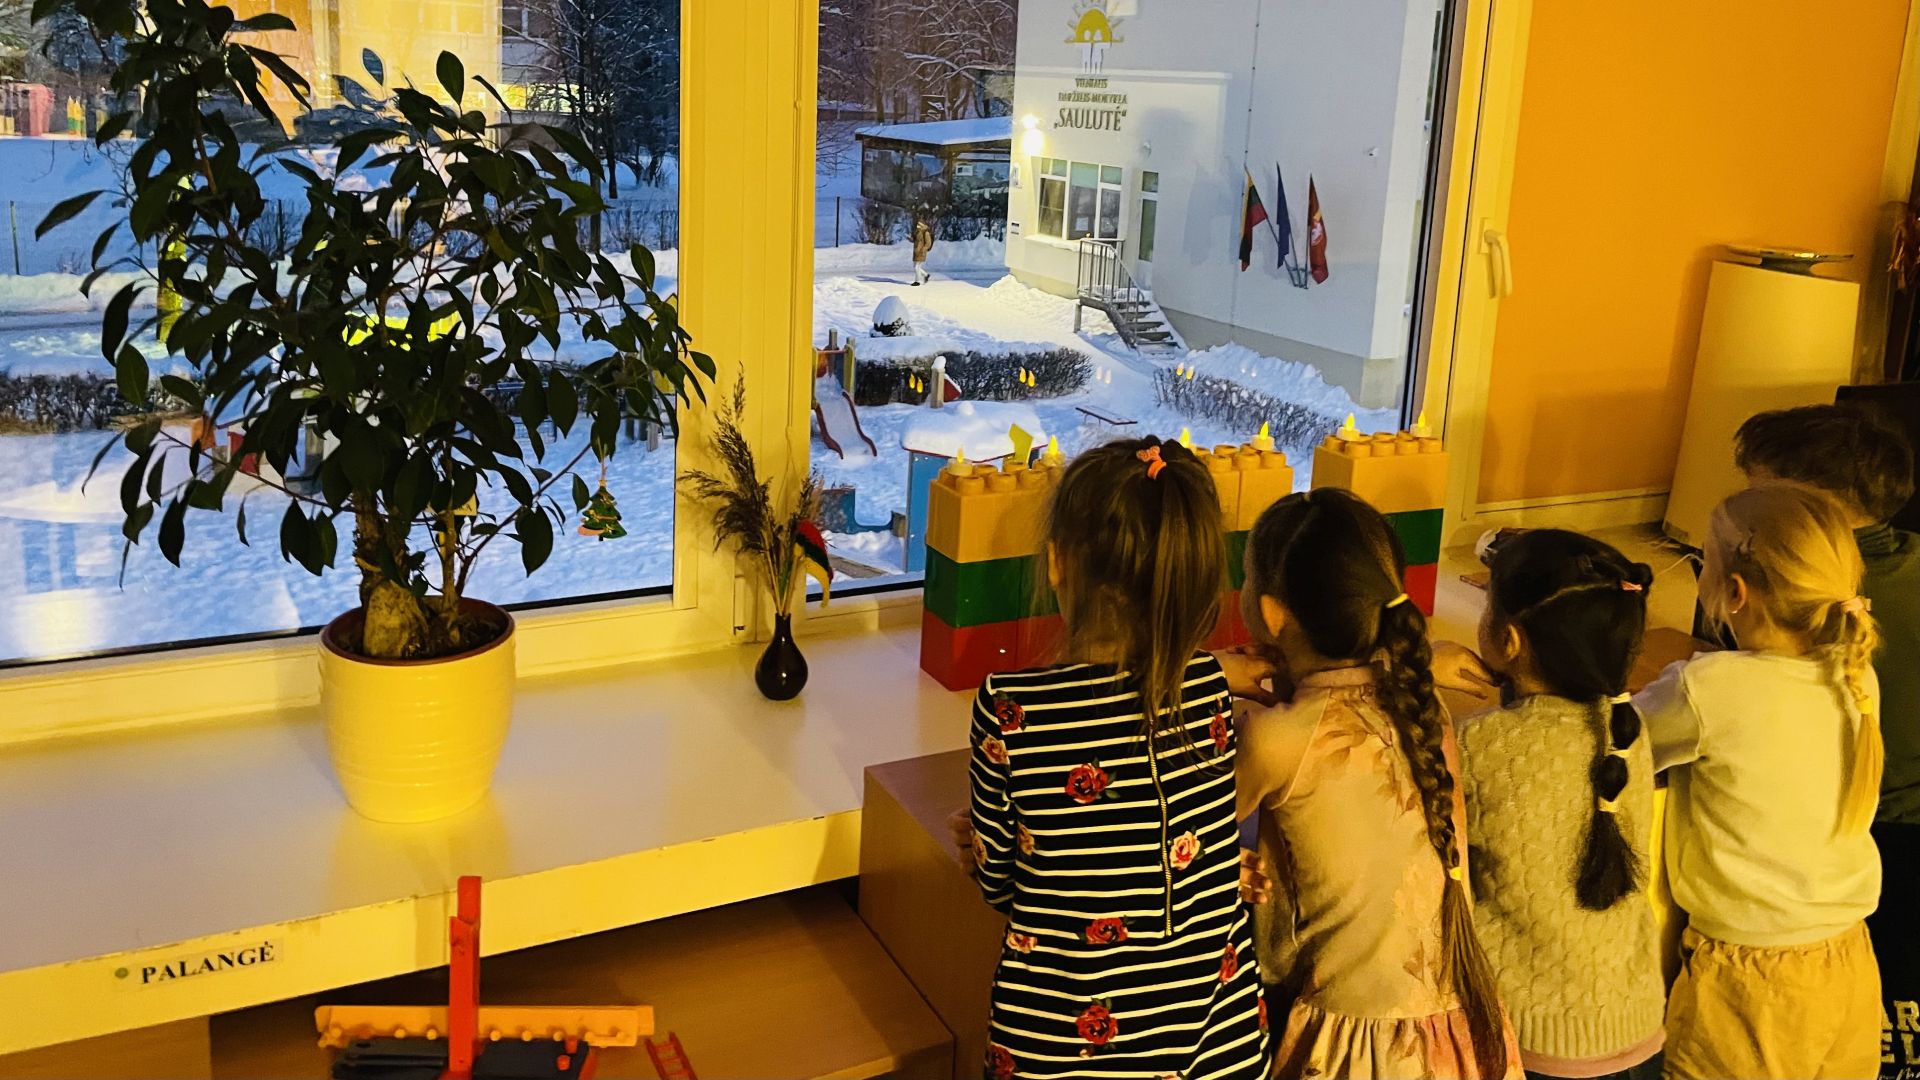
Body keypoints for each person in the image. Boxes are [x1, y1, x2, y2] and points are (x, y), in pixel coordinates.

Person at [962, 437, 1270, 1078]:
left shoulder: (1009, 708)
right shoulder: (1209, 687)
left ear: (1056, 562)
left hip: (1061, 1056)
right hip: (1221, 1050)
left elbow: (999, 886)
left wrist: (991, 844)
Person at [1235, 487, 1519, 1080]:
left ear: (1271, 614)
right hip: (1456, 1038)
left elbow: (1184, 831)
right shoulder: (1423, 707)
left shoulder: (1276, 738)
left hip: (1355, 1047)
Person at [1634, 483, 1883, 1079]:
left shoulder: (1709, 687)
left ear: (1735, 593)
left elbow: (1612, 741)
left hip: (1747, 978)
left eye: (1701, 562)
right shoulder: (1856, 677)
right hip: (1849, 961)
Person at [1733, 404, 1920, 1080]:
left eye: (1757, 495)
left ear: (1813, 507)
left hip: (1872, 830)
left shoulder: (1809, 598)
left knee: (1879, 1012)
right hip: (1893, 823)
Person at [1459, 529, 1665, 1080]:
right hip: (1637, 1027)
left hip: (1526, 1040)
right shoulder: (1628, 733)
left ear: (1509, 640)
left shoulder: (1478, 743)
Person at [911, 215, 934, 286]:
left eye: (919, 225)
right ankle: (926, 275)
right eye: (917, 224)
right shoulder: (917, 232)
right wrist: (911, 239)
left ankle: (917, 281)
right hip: (916, 251)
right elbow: (916, 241)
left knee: (916, 267)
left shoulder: (926, 233)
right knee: (916, 267)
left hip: (921, 252)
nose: (917, 226)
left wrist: (923, 249)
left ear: (922, 225)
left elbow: (928, 243)